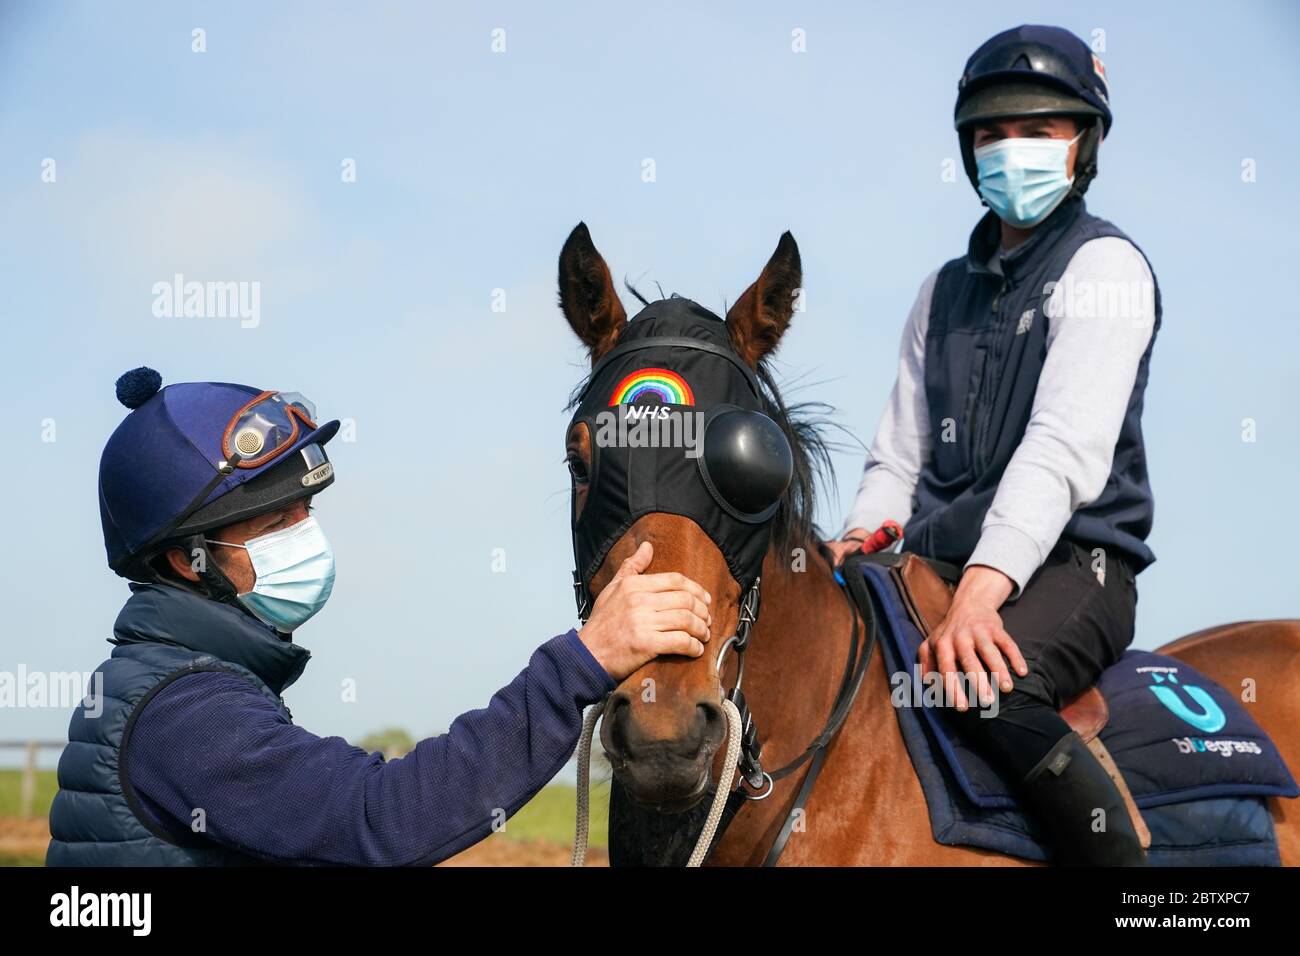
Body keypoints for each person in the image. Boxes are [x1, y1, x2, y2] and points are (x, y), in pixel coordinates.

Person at [48, 367, 712, 866]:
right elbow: (381, 816)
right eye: (277, 522)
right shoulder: (184, 715)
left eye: (307, 512)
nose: (306, 536)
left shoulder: (180, 684)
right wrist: (583, 661)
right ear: (189, 561)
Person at [826, 25, 1159, 865]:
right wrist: (858, 539)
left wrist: (979, 595)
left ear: (1085, 144)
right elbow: (896, 459)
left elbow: (1060, 450)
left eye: (1038, 131)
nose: (1010, 148)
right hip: (933, 564)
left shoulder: (1108, 269)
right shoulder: (939, 291)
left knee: (988, 694)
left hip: (1072, 564)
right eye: (990, 132)